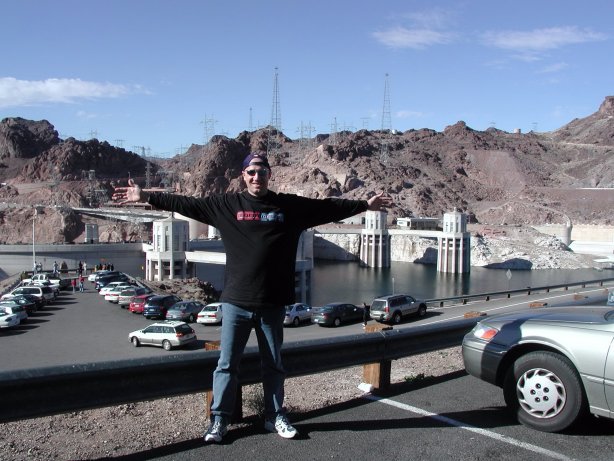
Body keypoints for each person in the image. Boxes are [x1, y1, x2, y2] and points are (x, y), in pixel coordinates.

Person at [112, 152, 393, 444]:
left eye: (262, 171)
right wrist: (146, 196)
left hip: (273, 303)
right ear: (243, 175)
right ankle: (219, 419)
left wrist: (365, 205)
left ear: (270, 175)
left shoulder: (288, 206)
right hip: (236, 303)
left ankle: (275, 415)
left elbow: (327, 208)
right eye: (251, 172)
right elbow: (186, 204)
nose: (257, 176)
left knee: (273, 365)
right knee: (226, 365)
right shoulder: (226, 206)